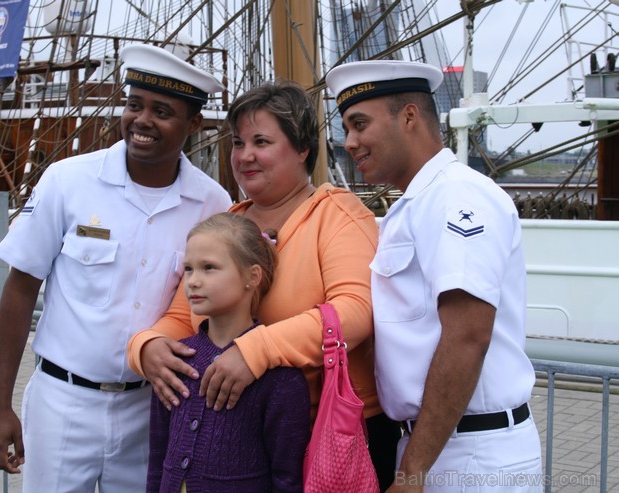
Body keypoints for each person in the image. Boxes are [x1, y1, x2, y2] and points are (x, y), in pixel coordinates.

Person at [129, 79, 402, 490]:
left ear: (302, 148)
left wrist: (257, 351)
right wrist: (147, 346)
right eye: (238, 143)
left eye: (261, 141)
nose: (245, 156)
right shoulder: (231, 223)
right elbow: (186, 312)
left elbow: (356, 311)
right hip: (239, 437)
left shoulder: (337, 215)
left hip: (329, 436)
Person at [0, 43, 232, 493]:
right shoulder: (68, 181)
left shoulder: (212, 204)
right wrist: (0, 405)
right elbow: (20, 289)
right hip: (63, 402)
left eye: (162, 111)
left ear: (194, 123)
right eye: (134, 104)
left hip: (151, 407)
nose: (141, 120)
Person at [326, 60, 542, 492]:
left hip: (470, 455)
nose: (349, 142)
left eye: (360, 124)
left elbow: (467, 335)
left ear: (408, 116)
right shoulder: (417, 204)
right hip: (439, 445)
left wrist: (413, 472)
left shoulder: (455, 197)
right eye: (346, 127)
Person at [147, 212, 310, 492]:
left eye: (209, 267)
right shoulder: (175, 361)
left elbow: (287, 477)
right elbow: (157, 457)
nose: (193, 281)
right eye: (188, 269)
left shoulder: (281, 378)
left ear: (252, 276)